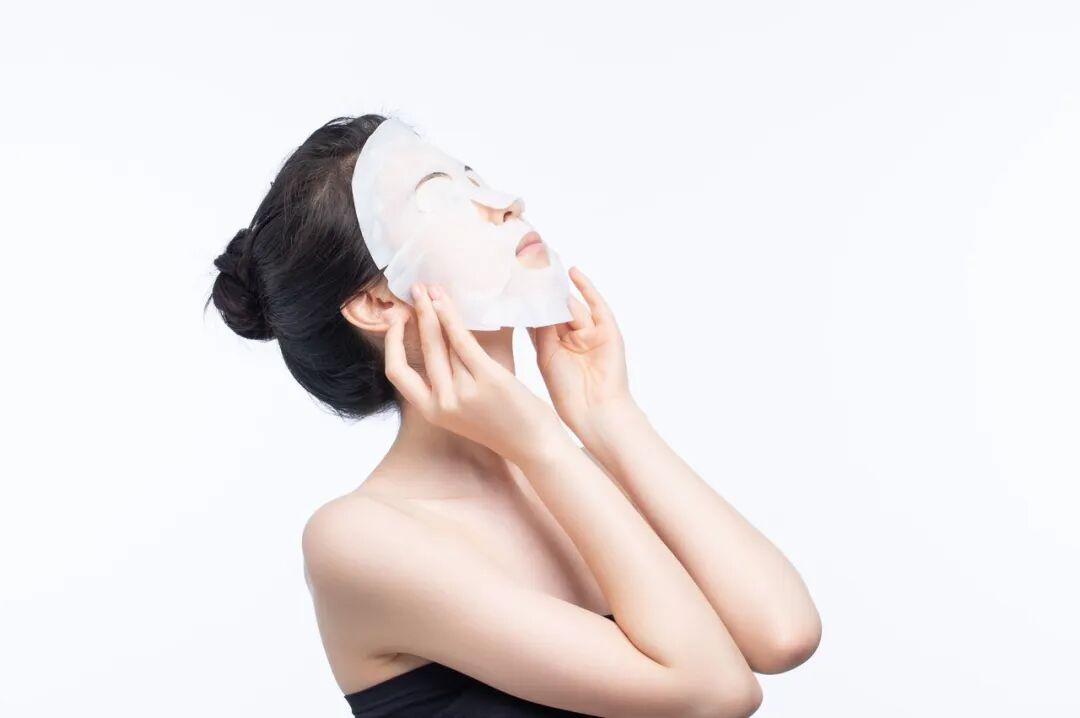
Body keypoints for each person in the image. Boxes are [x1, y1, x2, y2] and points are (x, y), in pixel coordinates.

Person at [208, 114, 821, 717]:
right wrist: (542, 444)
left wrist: (608, 415)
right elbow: (718, 693)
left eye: (474, 177)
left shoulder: (567, 472)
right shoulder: (357, 538)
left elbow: (783, 634)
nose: (504, 204)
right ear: (376, 302)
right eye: (440, 196)